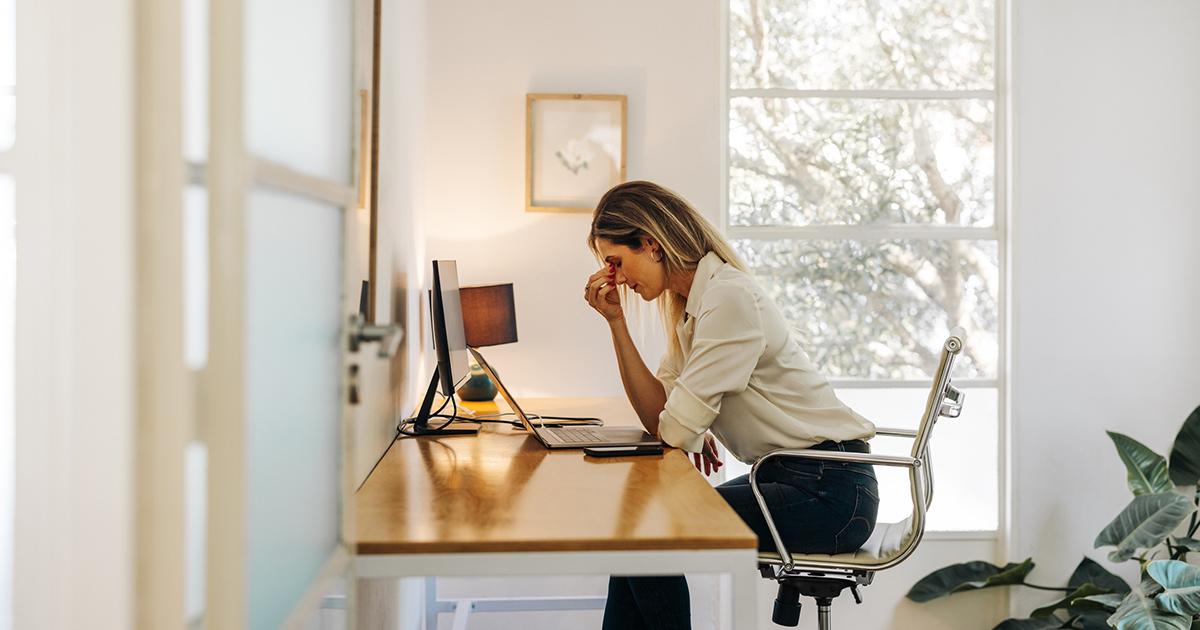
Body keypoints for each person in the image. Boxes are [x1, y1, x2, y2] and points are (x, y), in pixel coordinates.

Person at [582, 181, 879, 630]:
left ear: (651, 244)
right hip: (790, 476)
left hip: (829, 491)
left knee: (646, 532)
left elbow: (674, 432)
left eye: (617, 262)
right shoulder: (693, 308)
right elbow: (661, 414)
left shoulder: (727, 298)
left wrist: (685, 423)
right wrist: (616, 323)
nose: (617, 279)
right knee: (637, 532)